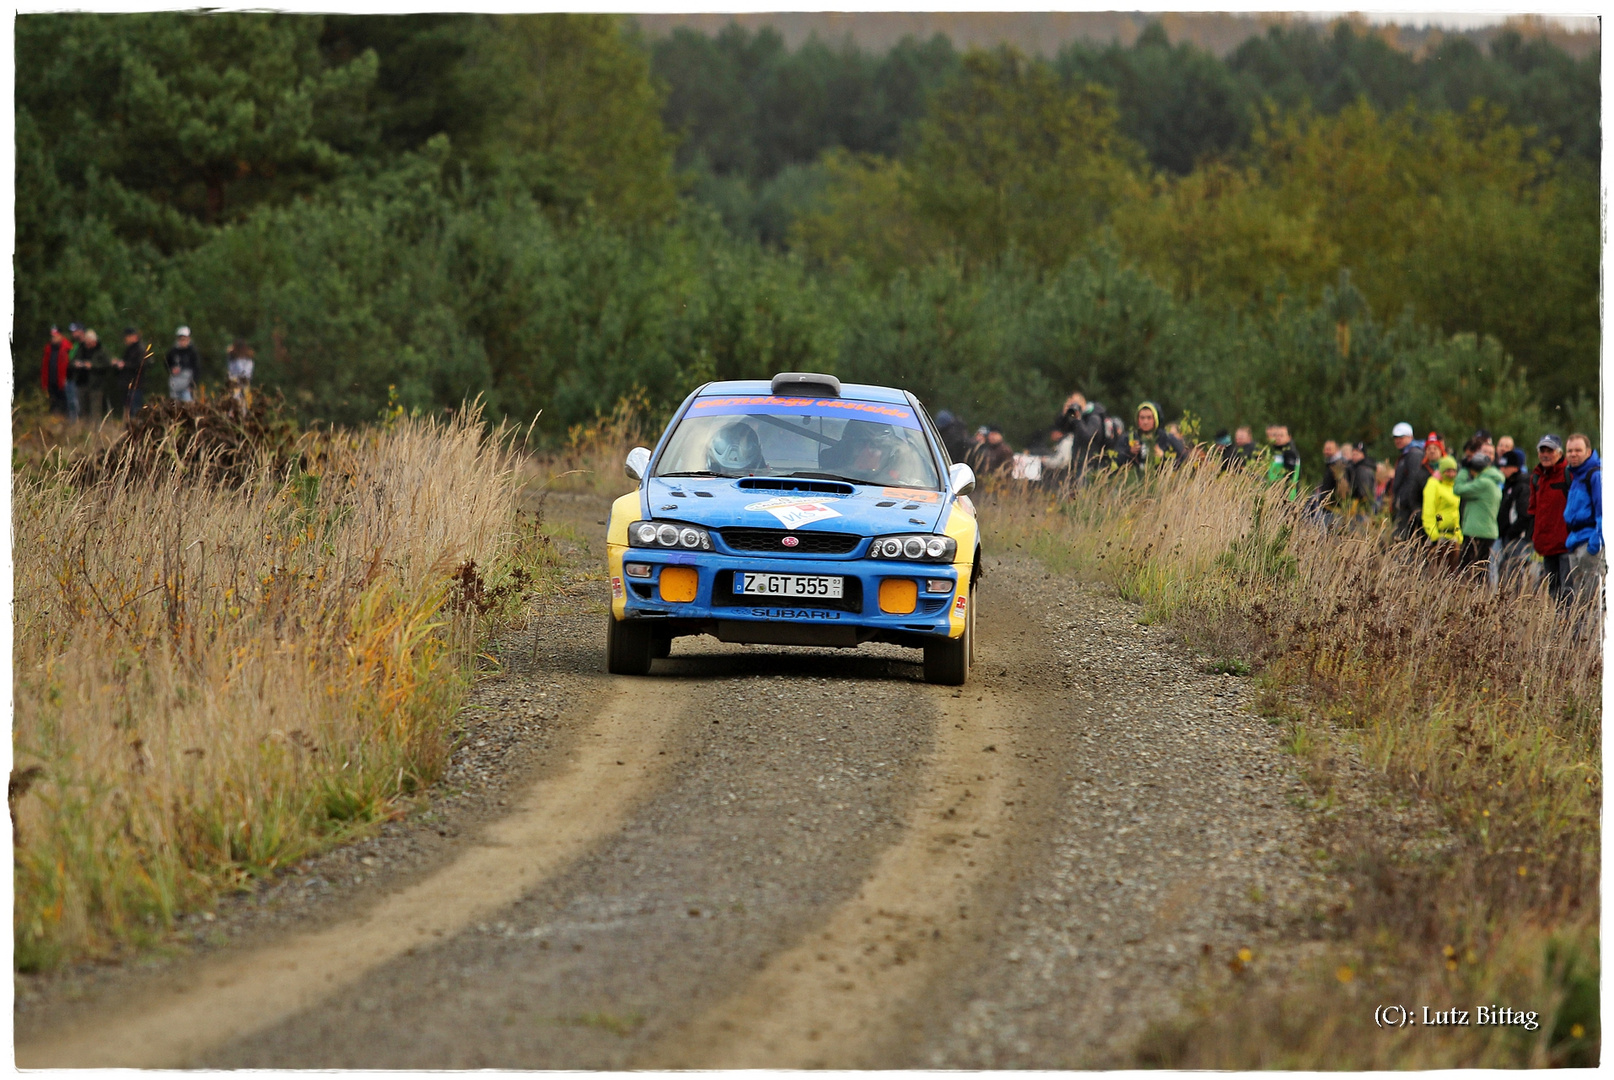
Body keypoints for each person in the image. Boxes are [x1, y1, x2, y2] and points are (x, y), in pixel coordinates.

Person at [1561, 433, 1602, 607]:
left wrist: (1594, 545)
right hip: (1575, 543)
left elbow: (1604, 513)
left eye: (1578, 450)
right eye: (1570, 451)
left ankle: (1594, 635)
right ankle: (1582, 634)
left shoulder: (1595, 476)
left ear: (1588, 451)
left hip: (1589, 544)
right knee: (1580, 602)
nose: (1573, 454)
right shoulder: (1576, 476)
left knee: (1592, 601)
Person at [1528, 435, 1570, 599]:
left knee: (1568, 592)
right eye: (1542, 450)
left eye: (1550, 450)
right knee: (1554, 592)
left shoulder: (1569, 474)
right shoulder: (1537, 477)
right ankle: (1560, 624)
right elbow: (1533, 510)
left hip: (1566, 545)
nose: (1545, 454)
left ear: (1559, 453)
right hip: (1546, 546)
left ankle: (1570, 624)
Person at [1452, 444, 1503, 577]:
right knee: (1480, 572)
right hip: (1487, 532)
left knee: (1466, 572)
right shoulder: (1492, 480)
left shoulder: (1483, 484)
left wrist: (1463, 470)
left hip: (1477, 531)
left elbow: (1458, 489)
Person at [1493, 449, 1535, 588]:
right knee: (1504, 573)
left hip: (1518, 540)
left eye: (1506, 467)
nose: (1502, 470)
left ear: (1515, 468)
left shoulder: (1522, 486)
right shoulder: (1508, 485)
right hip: (1507, 537)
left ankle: (1514, 606)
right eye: (1501, 467)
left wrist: (1512, 532)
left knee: (1513, 575)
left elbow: (1525, 514)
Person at [1422, 455, 1463, 569]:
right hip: (1439, 536)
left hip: (1453, 537)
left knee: (1452, 575)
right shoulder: (1433, 484)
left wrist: (1458, 535)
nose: (1451, 474)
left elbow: (1455, 512)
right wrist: (1433, 534)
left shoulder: (1454, 486)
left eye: (1453, 471)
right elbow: (1428, 511)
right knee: (1436, 572)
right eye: (1448, 471)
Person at [1388, 422, 1421, 537]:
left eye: (1401, 437)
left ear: (1410, 437)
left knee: (1403, 540)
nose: (1398, 440)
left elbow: (1413, 479)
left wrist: (1404, 500)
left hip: (1407, 508)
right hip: (1402, 506)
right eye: (1396, 438)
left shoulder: (1414, 454)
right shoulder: (1405, 454)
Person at [1129, 402, 1186, 467]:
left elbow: (1184, 460)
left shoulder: (1167, 438)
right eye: (1142, 418)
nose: (1145, 422)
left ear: (1155, 419)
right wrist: (1130, 453)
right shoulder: (1129, 438)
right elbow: (1117, 462)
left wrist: (1163, 457)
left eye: (1149, 418)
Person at [72, 329, 110, 419]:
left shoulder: (101, 351)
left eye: (89, 342)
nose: (87, 345)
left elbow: (107, 365)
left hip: (96, 385)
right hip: (81, 383)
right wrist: (76, 364)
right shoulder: (81, 349)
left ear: (94, 341)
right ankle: (83, 429)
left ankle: (95, 430)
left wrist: (93, 366)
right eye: (86, 342)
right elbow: (72, 361)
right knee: (82, 409)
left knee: (95, 410)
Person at [114, 327, 148, 416]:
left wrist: (125, 365)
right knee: (129, 409)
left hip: (136, 385)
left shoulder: (139, 349)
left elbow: (140, 365)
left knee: (135, 410)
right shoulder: (130, 349)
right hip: (128, 384)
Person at [40, 325, 73, 415]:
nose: (53, 338)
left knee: (65, 404)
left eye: (55, 336)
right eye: (52, 336)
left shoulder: (68, 348)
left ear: (61, 336)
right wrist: (44, 383)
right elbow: (45, 367)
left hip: (64, 382)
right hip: (51, 382)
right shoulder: (48, 348)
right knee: (53, 404)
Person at [1264, 424, 1301, 499]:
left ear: (1289, 437)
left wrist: (1282, 494)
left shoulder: (1289, 452)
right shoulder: (1277, 452)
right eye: (1276, 435)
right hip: (1275, 495)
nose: (1278, 438)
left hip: (1287, 497)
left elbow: (1289, 476)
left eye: (1281, 435)